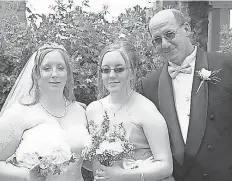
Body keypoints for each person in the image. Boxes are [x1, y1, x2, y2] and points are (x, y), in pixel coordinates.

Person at [140, 9, 232, 181]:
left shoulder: (227, 66)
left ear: (187, 29)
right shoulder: (149, 85)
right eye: (157, 40)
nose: (165, 44)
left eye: (169, 34)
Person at [86, 41, 174, 181]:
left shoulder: (146, 110)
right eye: (106, 70)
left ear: (131, 72)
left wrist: (122, 175)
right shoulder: (93, 110)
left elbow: (165, 166)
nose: (112, 75)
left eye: (119, 69)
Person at [0, 43, 88, 181]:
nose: (54, 74)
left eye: (60, 68)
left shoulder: (80, 111)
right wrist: (25, 175)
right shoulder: (19, 113)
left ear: (67, 73)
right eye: (47, 68)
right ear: (36, 74)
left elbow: (87, 160)